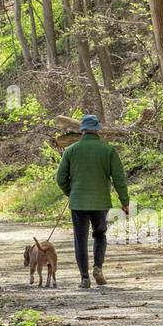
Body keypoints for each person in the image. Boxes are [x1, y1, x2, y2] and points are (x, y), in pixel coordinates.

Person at [55, 114, 128, 289]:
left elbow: (60, 178)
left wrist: (70, 192)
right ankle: (98, 267)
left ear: (82, 130)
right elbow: (119, 178)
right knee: (100, 235)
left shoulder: (71, 150)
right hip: (100, 202)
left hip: (78, 202)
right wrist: (124, 201)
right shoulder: (108, 150)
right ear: (97, 130)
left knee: (80, 239)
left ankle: (84, 278)